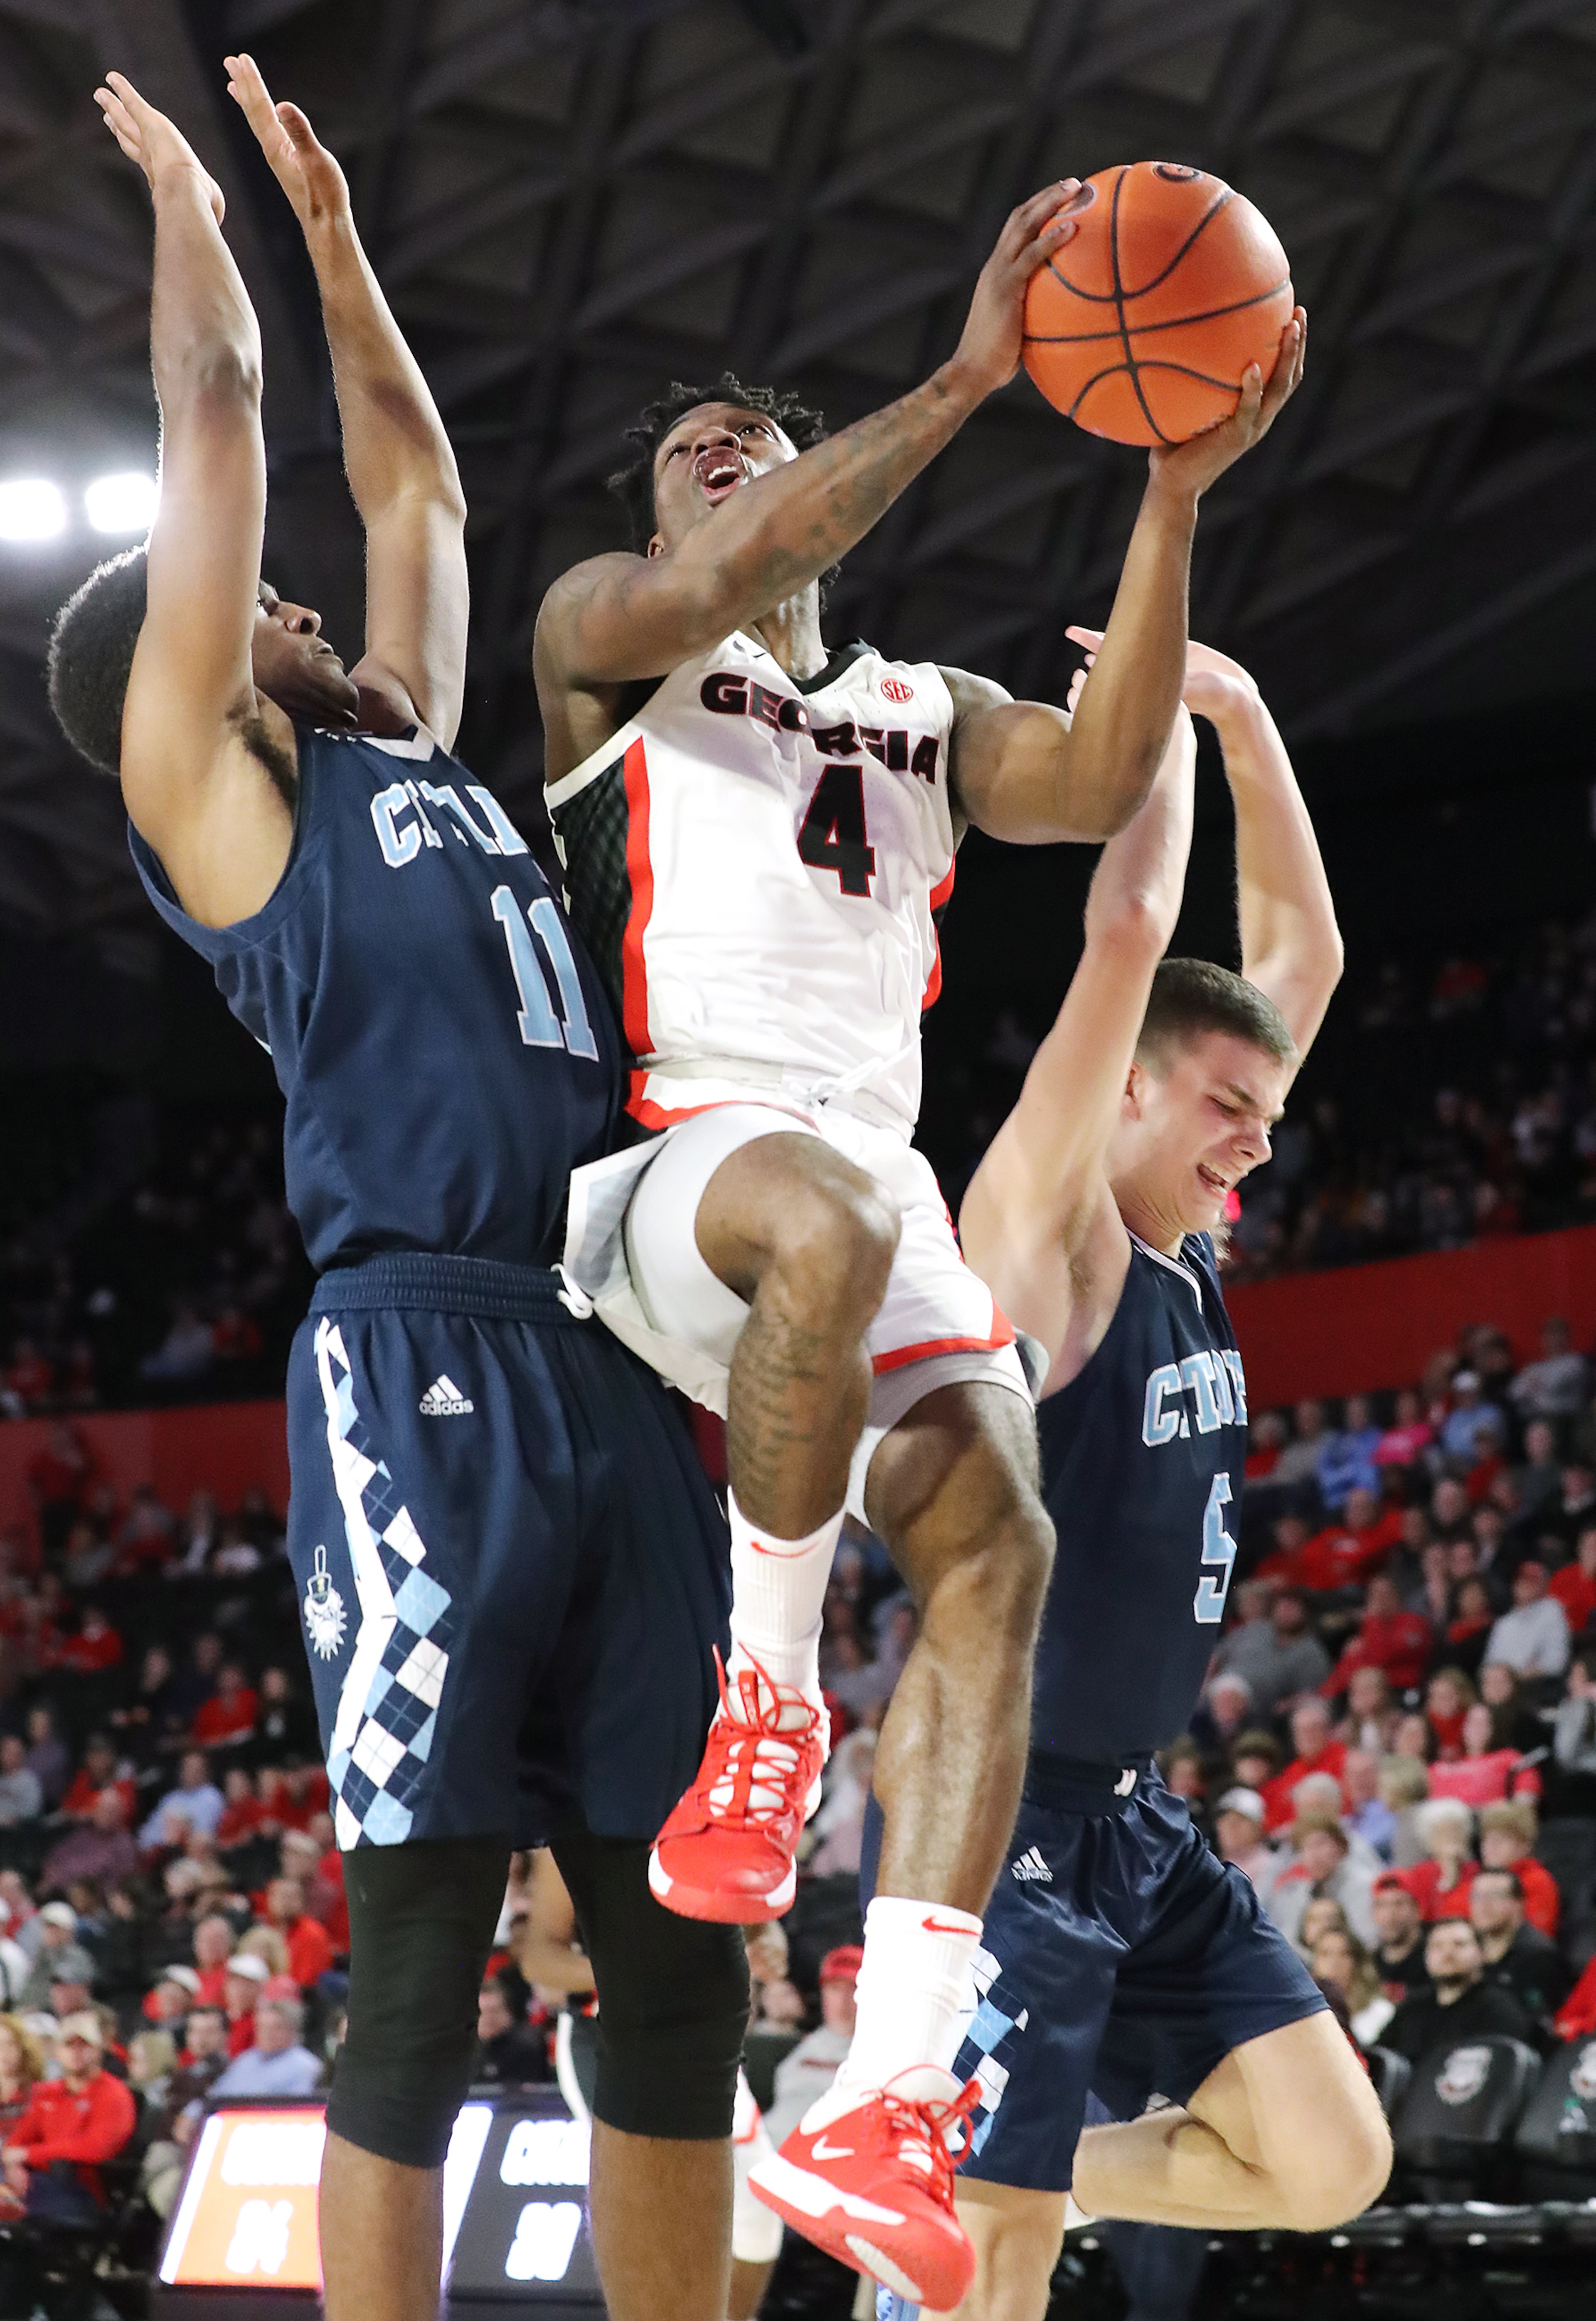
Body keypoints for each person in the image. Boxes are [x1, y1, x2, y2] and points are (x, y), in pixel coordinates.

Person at [534, 164, 1303, 2302]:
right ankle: (762, 1702)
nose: (724, 476)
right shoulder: (610, 642)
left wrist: (1163, 491)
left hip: (862, 1196)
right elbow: (765, 552)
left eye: (746, 450)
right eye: (695, 460)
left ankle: (885, 2082)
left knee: (1002, 1544)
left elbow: (1102, 765)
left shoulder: (913, 711)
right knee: (848, 1219)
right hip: (696, 1172)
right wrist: (984, 365)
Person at [53, 63, 747, 2321]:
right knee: (430, 1941)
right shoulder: (226, 806)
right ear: (191, 683)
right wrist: (196, 218)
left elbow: (416, 481)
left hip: (609, 1344)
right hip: (422, 1362)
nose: (288, 605)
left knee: (673, 1944)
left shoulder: (401, 750)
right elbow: (226, 413)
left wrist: (341, 234)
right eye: (249, 611)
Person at [907, 633, 1386, 2321]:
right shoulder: (1050, 1238)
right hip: (1002, 1812)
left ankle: (953, 2150)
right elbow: (1126, 932)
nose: (1260, 1135)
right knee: (1008, 2264)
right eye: (1227, 1106)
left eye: (1264, 1113)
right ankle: (974, 2173)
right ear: (1122, 1089)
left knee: (1331, 2163)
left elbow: (1305, 949)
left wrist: (1248, 711)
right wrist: (1160, 737)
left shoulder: (1192, 1233)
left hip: (1131, 1811)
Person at [1, 2010, 136, 2224]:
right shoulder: (48, 2092)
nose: (76, 2053)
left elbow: (96, 2148)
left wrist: (28, 2155)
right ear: (58, 2051)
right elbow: (19, 2139)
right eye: (69, 2045)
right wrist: (13, 2165)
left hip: (82, 2190)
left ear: (99, 2050)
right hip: (37, 2182)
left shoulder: (114, 2094)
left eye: (84, 2046)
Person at [1379, 1919, 1536, 2065]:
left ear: (1482, 1954)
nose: (1447, 1953)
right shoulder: (1412, 2009)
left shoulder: (1500, 2009)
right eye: (1437, 1946)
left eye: (1459, 1945)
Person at [761, 1947, 862, 2152]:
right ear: (823, 1993)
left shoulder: (878, 2055)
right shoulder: (799, 2049)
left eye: (853, 1989)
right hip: (771, 2149)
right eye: (835, 1989)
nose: (844, 2001)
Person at [1468, 1868, 1573, 2029]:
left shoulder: (1538, 1956)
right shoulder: (1466, 1952)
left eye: (1495, 1896)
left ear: (1518, 1904)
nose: (1483, 1905)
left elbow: (1541, 2021)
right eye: (1477, 1897)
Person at [207, 1990, 324, 2098]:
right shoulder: (245, 2060)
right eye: (263, 2028)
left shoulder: (306, 2066)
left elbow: (299, 2108)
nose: (268, 2034)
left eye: (276, 2028)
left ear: (293, 2030)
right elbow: (215, 2097)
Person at [1484, 1560, 1572, 1678]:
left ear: (1543, 1585)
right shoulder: (1505, 1623)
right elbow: (1489, 1664)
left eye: (1532, 1582)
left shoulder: (1553, 1612)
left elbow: (1556, 1664)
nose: (1525, 1586)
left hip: (1536, 1687)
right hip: (1502, 1685)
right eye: (1522, 1581)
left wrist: (1525, 1675)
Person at [473, 1977, 550, 2088]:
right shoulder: (460, 2052)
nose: (489, 2020)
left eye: (495, 2012)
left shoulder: (528, 2047)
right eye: (483, 2013)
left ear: (508, 2011)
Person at [1369, 1874, 1429, 2002]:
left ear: (1418, 1910)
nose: (1391, 1914)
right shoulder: (1370, 1964)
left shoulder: (1433, 1958)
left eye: (1399, 1904)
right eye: (1383, 1906)